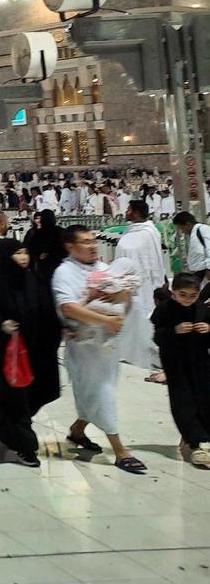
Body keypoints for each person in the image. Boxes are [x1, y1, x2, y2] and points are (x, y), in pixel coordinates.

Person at [52, 226, 145, 473]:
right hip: (84, 347)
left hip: (108, 345)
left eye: (94, 241)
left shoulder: (104, 270)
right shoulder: (64, 272)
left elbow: (124, 296)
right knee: (100, 392)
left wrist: (122, 295)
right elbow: (69, 308)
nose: (93, 246)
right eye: (85, 242)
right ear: (70, 247)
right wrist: (106, 320)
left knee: (97, 390)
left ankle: (78, 430)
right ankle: (119, 450)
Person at [0, 238, 62, 465]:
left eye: (25, 252)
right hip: (6, 352)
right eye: (18, 254)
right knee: (15, 398)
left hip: (33, 350)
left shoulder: (32, 278)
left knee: (29, 394)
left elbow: (45, 309)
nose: (23, 258)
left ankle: (0, 422)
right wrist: (0, 324)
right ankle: (26, 446)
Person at [151, 273, 210, 467]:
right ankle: (192, 442)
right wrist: (173, 331)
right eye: (183, 294)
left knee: (203, 397)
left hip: (199, 361)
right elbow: (158, 337)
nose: (187, 300)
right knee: (183, 399)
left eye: (192, 296)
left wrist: (208, 328)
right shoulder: (165, 309)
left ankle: (198, 438)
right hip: (175, 363)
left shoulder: (201, 309)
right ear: (174, 292)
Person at [114, 199, 166, 377]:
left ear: (136, 212)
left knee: (146, 315)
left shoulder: (149, 232)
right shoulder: (130, 230)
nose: (126, 211)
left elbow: (154, 260)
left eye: (129, 209)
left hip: (146, 282)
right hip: (129, 283)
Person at [173, 211, 210, 282]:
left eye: (182, 228)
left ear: (188, 224)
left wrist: (209, 268)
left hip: (206, 271)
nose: (183, 231)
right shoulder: (194, 233)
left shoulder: (203, 229)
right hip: (199, 272)